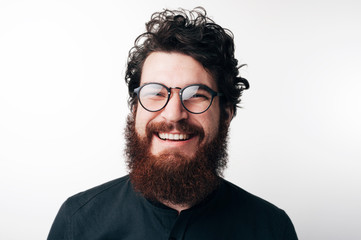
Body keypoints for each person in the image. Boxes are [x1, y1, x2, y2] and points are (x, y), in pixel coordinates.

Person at [48, 7, 298, 240]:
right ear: (135, 109)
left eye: (196, 95)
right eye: (155, 92)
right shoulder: (77, 223)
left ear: (226, 114)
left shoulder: (271, 228)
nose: (173, 115)